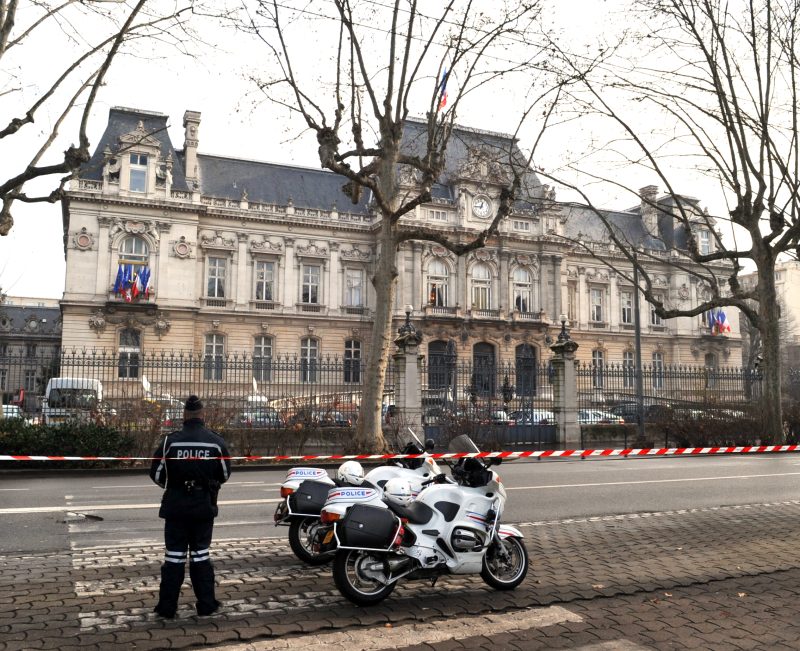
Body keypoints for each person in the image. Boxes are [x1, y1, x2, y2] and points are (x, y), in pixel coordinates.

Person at [149, 395, 231, 618]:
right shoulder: (215, 442)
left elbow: (156, 474)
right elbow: (224, 474)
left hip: (176, 507)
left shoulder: (170, 442)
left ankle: (167, 608)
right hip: (203, 506)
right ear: (202, 415)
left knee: (173, 558)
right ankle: (206, 605)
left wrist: (174, 486)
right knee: (201, 556)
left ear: (184, 415)